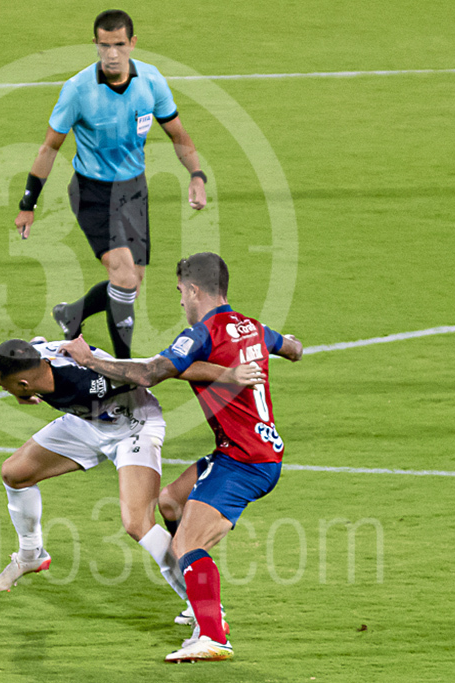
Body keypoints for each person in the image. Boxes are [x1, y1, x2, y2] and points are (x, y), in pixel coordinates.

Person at [62, 252, 303, 663]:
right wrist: (275, 350)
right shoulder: (253, 327)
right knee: (171, 502)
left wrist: (90, 361)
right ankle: (198, 596)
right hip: (247, 449)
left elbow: (149, 374)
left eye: (179, 292)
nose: (179, 301)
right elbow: (294, 349)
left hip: (245, 462)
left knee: (188, 542)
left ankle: (213, 636)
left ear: (193, 290)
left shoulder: (201, 334)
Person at [0, 336, 261, 605]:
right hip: (89, 423)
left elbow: (159, 368)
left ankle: (202, 606)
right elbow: (36, 342)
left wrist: (229, 374)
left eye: (3, 386)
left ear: (22, 382)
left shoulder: (86, 381)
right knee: (15, 473)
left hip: (134, 428)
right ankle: (31, 554)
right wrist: (26, 393)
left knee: (138, 524)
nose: (2, 389)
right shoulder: (36, 359)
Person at [14, 9, 207, 359]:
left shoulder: (151, 81)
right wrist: (28, 204)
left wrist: (197, 175)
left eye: (119, 44)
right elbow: (49, 148)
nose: (112, 54)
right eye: (104, 46)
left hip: (134, 192)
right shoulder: (77, 90)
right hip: (92, 192)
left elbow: (178, 134)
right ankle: (125, 369)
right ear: (95, 44)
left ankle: (72, 314)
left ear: (132, 43)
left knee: (133, 283)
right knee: (124, 278)